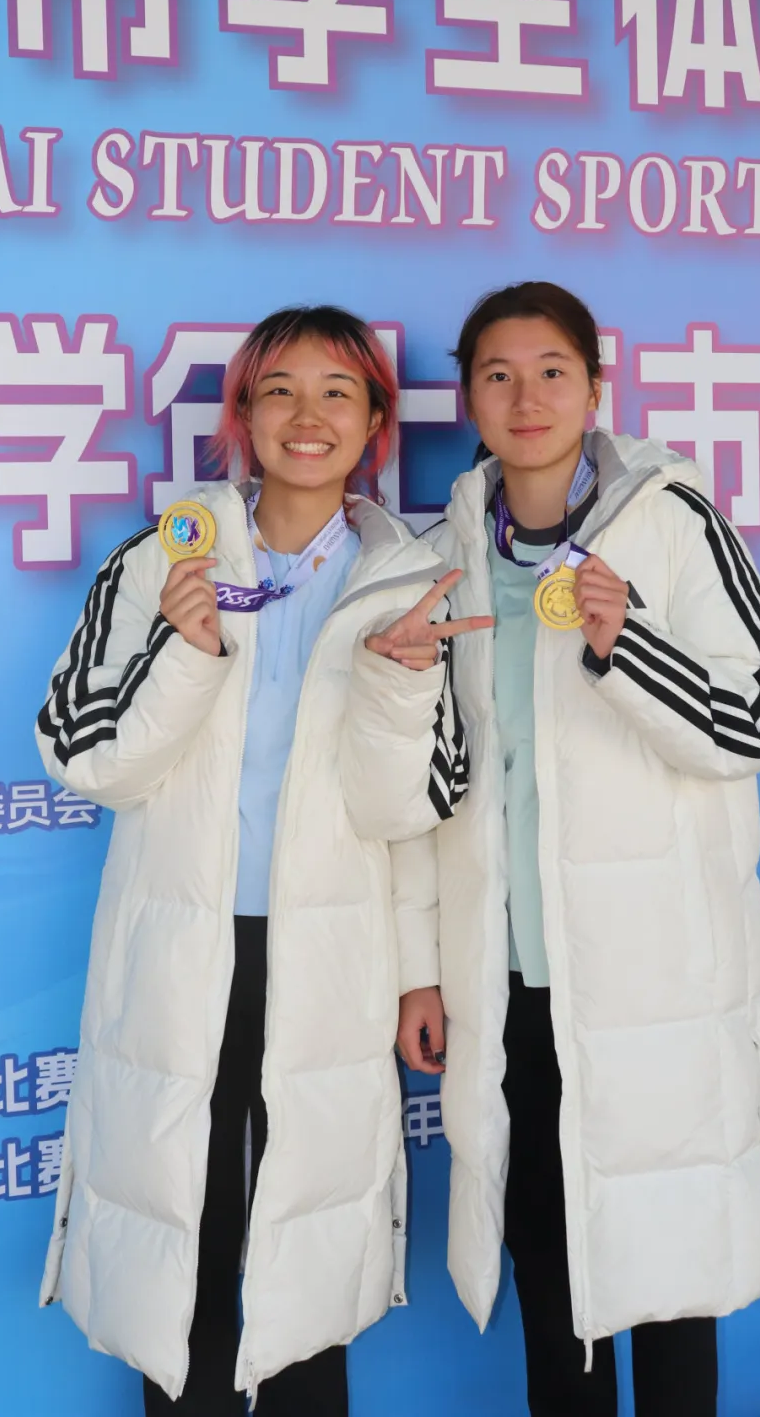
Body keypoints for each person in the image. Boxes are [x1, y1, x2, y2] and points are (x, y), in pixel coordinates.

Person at [35, 305, 491, 1415]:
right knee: (179, 1240)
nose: (306, 416)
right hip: (183, 948)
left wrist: (398, 686)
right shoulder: (162, 558)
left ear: (376, 422)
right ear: (242, 413)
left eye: (338, 392)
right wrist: (183, 651)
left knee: (305, 1242)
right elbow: (83, 756)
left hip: (330, 957)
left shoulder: (412, 579)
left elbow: (411, 810)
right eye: (279, 390)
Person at [424, 281, 760, 1417]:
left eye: (553, 372)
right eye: (498, 375)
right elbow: (442, 791)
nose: (526, 398)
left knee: (670, 1282)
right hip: (514, 989)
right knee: (553, 1281)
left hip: (654, 988)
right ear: (469, 398)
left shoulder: (672, 518)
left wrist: (625, 643)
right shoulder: (447, 549)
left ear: (596, 388)